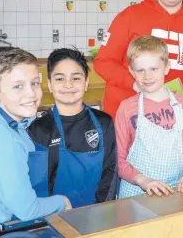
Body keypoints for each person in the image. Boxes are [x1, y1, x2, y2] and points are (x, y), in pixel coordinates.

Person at [0, 47, 70, 230]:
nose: (31, 93)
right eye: (18, 86)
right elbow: (27, 210)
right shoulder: (5, 143)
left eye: (35, 83)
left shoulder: (4, 118)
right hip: (1, 229)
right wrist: (62, 202)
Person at [28, 48, 118, 208]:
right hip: (54, 219)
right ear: (49, 84)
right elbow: (37, 186)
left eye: (76, 78)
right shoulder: (39, 129)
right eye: (60, 79)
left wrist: (102, 212)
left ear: (86, 83)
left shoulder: (104, 122)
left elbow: (110, 175)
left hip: (96, 215)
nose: (68, 85)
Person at [115, 36, 183, 198]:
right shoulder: (126, 108)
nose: (147, 76)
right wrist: (142, 181)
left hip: (176, 190)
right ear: (132, 71)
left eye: (154, 69)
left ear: (167, 67)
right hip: (136, 192)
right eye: (140, 70)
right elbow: (119, 159)